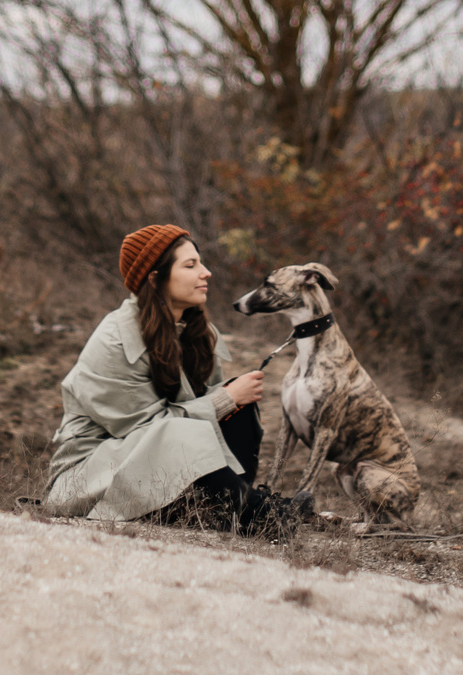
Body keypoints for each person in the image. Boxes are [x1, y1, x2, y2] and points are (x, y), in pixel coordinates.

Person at [42, 223, 312, 533]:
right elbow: (149, 429)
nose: (206, 272)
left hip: (150, 466)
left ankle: (229, 509)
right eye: (190, 265)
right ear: (155, 278)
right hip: (90, 475)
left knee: (240, 407)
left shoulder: (198, 333)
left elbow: (202, 422)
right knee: (214, 408)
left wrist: (230, 400)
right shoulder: (115, 340)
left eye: (201, 262)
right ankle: (258, 516)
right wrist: (225, 399)